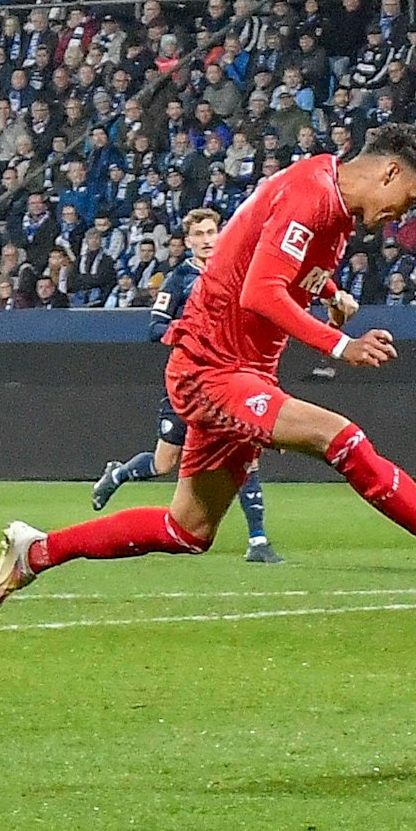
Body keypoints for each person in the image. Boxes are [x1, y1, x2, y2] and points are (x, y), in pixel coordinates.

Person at [0, 125, 416, 613]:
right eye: (410, 199)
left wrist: (329, 292)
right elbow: (259, 291)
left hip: (242, 371)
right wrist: (339, 345)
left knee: (187, 530)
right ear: (390, 172)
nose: (406, 213)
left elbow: (269, 254)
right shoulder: (312, 194)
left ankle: (38, 552)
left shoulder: (333, 203)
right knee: (342, 439)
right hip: (211, 370)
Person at [89, 208, 283, 564]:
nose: (208, 240)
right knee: (164, 463)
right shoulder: (179, 278)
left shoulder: (239, 269)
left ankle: (258, 540)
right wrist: (192, 334)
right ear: (189, 240)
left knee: (244, 454)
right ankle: (117, 474)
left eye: (212, 232)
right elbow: (155, 328)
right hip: (190, 381)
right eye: (200, 234)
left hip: (231, 377)